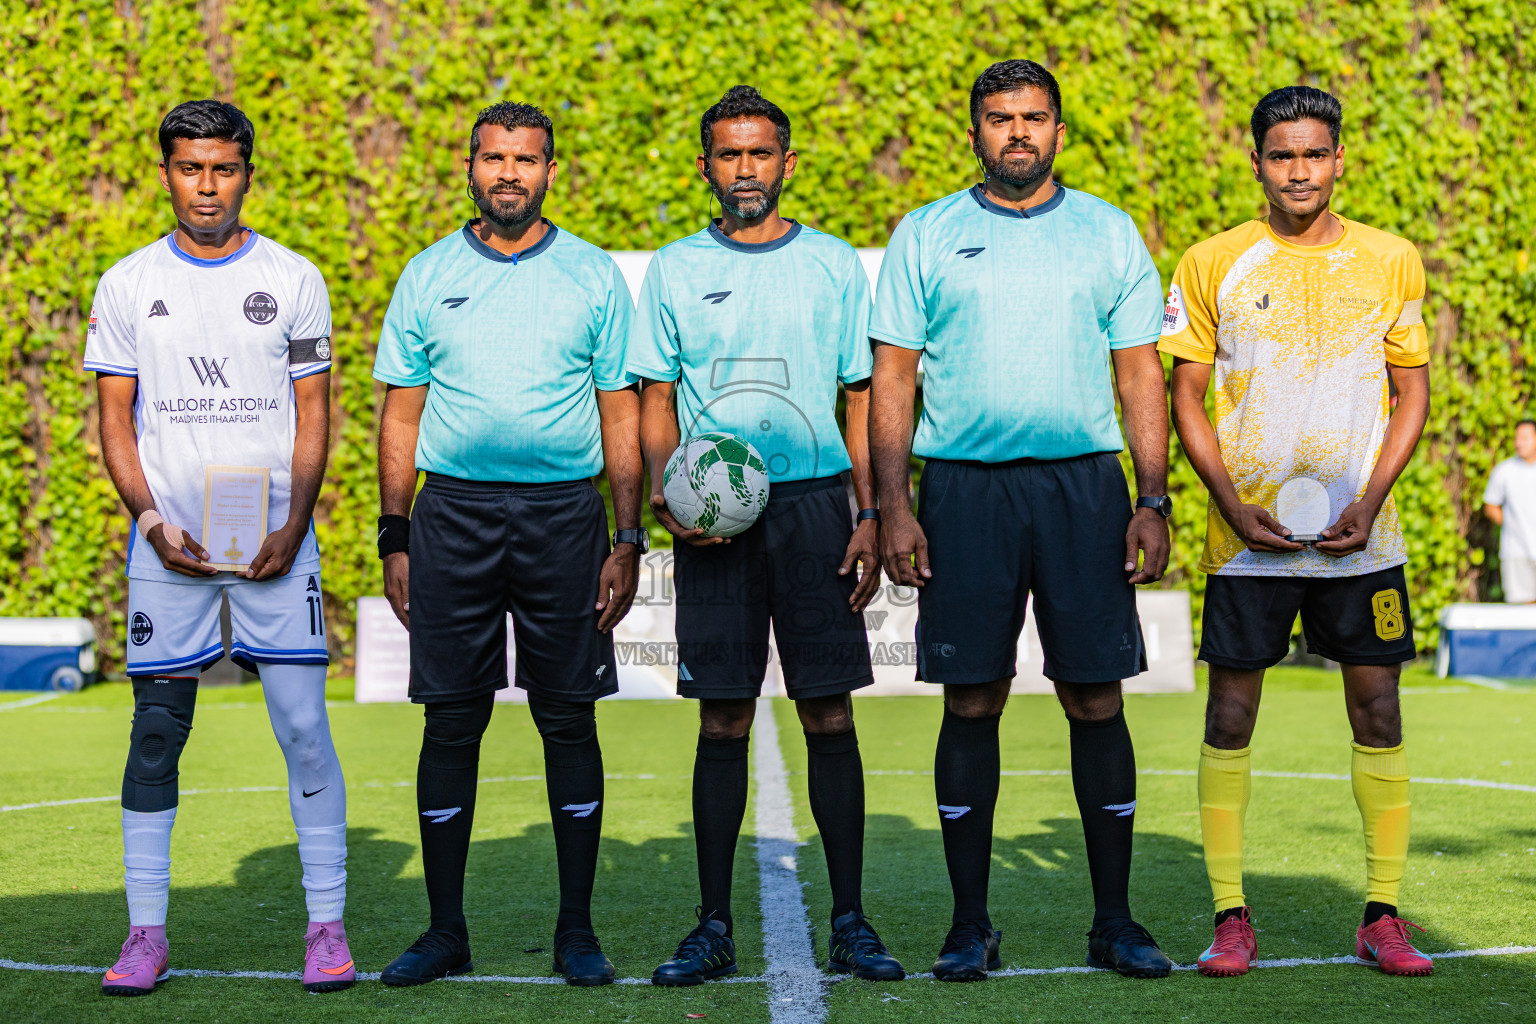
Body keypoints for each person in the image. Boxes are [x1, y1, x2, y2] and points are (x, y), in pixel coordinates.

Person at [869, 59, 1174, 981]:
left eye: (1033, 118)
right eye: (999, 118)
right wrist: (893, 503)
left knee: (1095, 697)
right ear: (974, 132)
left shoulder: (1108, 234)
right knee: (972, 699)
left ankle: (1114, 922)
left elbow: (1138, 376)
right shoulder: (925, 234)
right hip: (964, 492)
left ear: (1058, 133)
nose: (1017, 133)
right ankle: (970, 927)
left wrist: (1152, 498)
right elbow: (893, 379)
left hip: (1086, 490)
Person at [630, 86, 903, 985]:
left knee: (830, 710)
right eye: (726, 154)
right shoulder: (670, 269)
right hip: (717, 523)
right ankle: (712, 926)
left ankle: (853, 921)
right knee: (723, 715)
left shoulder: (832, 264)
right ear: (704, 166)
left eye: (759, 154)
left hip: (817, 508)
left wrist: (869, 513)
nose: (743, 169)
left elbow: (859, 397)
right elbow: (657, 399)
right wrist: (675, 499)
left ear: (786, 163)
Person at [1160, 86, 1434, 977]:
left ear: (1339, 158)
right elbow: (1186, 398)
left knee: (1380, 708)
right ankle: (1231, 915)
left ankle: (1382, 914)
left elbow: (1412, 392)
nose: (1300, 171)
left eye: (1314, 154)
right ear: (1257, 163)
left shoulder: (1392, 260)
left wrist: (1373, 495)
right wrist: (1232, 505)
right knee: (1232, 714)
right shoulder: (1211, 263)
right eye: (1282, 155)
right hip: (1248, 541)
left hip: (1366, 540)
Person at [85, 100, 353, 996]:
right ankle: (145, 935)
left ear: (247, 172)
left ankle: (326, 927)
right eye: (191, 168)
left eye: (224, 169)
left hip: (278, 540)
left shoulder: (295, 276)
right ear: (165, 172)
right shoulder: (126, 284)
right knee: (156, 734)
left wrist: (294, 522)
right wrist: (155, 523)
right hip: (170, 545)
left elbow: (315, 414)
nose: (207, 186)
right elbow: (113, 421)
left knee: (304, 728)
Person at [372, 101, 642, 988]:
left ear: (550, 172)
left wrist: (627, 535)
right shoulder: (426, 274)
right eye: (494, 158)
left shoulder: (594, 276)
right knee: (452, 716)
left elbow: (618, 413)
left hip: (566, 517)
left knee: (568, 714)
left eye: (526, 160)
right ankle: (445, 930)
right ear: (471, 166)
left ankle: (577, 930)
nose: (509, 174)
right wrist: (395, 535)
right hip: (451, 518)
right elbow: (401, 415)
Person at [1483, 419, 1536, 603]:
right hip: (1516, 552)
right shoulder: (1505, 470)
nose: (1518, 442)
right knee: (1523, 608)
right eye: (1516, 438)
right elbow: (1491, 506)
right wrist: (1515, 526)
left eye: (1524, 437)